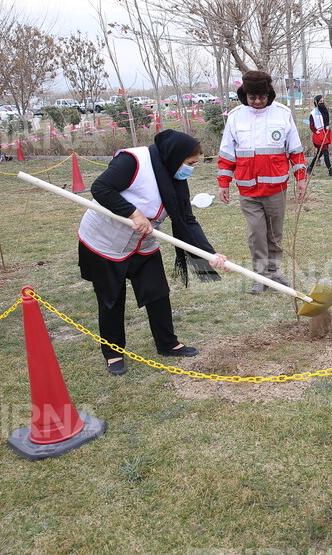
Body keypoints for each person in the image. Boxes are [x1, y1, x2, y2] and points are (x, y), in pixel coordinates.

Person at [78, 129, 226, 375]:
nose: (191, 169)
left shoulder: (174, 177)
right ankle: (113, 353)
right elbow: (101, 188)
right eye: (190, 163)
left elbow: (187, 220)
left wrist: (209, 254)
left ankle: (167, 343)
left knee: (157, 292)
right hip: (104, 241)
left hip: (143, 241)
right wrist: (133, 213)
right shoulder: (133, 161)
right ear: (174, 155)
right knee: (111, 299)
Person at [218, 71, 308, 294]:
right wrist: (223, 182)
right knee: (256, 233)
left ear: (269, 94)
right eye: (252, 98)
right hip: (247, 188)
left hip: (276, 188)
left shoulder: (283, 114)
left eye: (262, 97)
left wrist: (301, 178)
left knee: (274, 233)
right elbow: (227, 154)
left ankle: (274, 272)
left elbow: (295, 150)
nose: (257, 102)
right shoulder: (235, 117)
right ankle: (261, 275)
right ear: (244, 95)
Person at [307, 95, 332, 177]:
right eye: (320, 101)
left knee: (319, 153)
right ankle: (330, 171)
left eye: (323, 101)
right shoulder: (313, 113)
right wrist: (317, 132)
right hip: (319, 134)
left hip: (325, 132)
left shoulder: (324, 111)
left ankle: (309, 168)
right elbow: (311, 125)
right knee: (325, 152)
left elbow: (326, 122)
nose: (322, 103)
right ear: (316, 102)